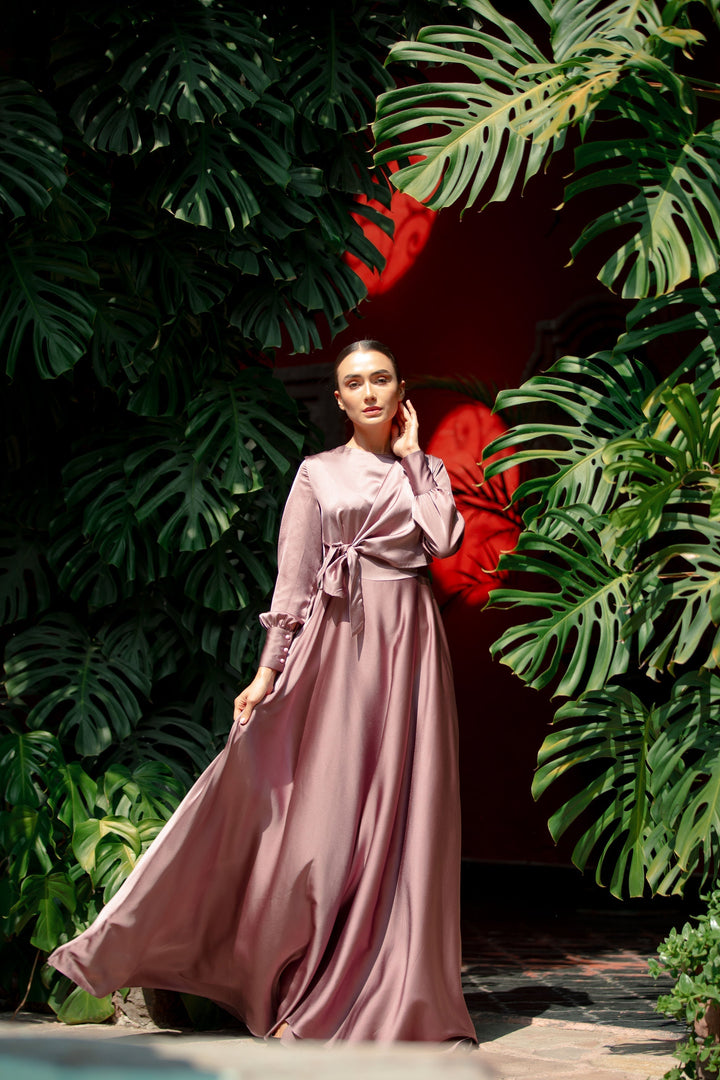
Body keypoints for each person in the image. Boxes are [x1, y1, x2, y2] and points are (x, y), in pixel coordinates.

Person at [49, 340, 477, 1046]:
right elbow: (293, 587)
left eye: (380, 380)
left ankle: (399, 991)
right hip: (338, 655)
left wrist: (410, 456)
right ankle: (286, 980)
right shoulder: (316, 474)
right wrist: (266, 674)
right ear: (336, 399)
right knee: (322, 828)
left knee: (408, 822)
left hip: (412, 653)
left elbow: (442, 539)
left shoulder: (425, 472)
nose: (368, 393)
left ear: (400, 389)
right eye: (353, 383)